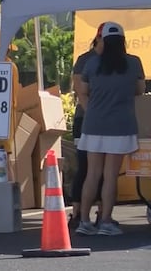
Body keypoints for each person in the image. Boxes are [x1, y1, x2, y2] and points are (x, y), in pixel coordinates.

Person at [75, 21, 145, 236]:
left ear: (102, 39)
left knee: (92, 174)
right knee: (110, 175)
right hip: (120, 125)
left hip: (94, 124)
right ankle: (105, 221)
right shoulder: (133, 63)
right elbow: (140, 89)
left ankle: (84, 221)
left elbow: (83, 90)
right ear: (123, 41)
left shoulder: (92, 64)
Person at [69, 23, 105, 228]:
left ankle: (101, 211)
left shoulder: (114, 61)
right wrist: (94, 115)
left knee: (103, 169)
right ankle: (77, 213)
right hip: (85, 120)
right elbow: (80, 91)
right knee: (84, 165)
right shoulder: (85, 60)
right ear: (97, 38)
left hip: (102, 121)